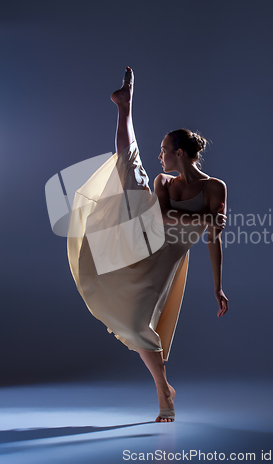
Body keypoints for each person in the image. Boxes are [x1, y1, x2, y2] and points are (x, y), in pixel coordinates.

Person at [67, 67, 228, 423]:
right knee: (132, 172)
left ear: (182, 153)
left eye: (165, 150)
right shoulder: (164, 182)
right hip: (144, 240)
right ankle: (125, 108)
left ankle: (162, 388)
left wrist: (218, 287)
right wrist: (202, 220)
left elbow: (215, 238)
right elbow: (165, 218)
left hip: (166, 259)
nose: (162, 156)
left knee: (139, 320)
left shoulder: (215, 187)